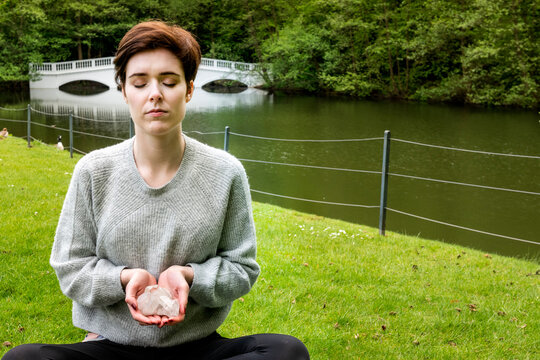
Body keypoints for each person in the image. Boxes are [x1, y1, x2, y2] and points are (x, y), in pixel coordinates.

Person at [3, 20, 309, 360]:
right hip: (111, 345)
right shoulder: (93, 171)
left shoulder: (225, 172)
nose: (155, 94)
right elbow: (70, 266)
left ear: (189, 89)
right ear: (123, 90)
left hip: (198, 347)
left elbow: (242, 268)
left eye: (169, 81)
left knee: (286, 351)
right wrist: (123, 279)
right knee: (23, 358)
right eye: (139, 82)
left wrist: (189, 276)